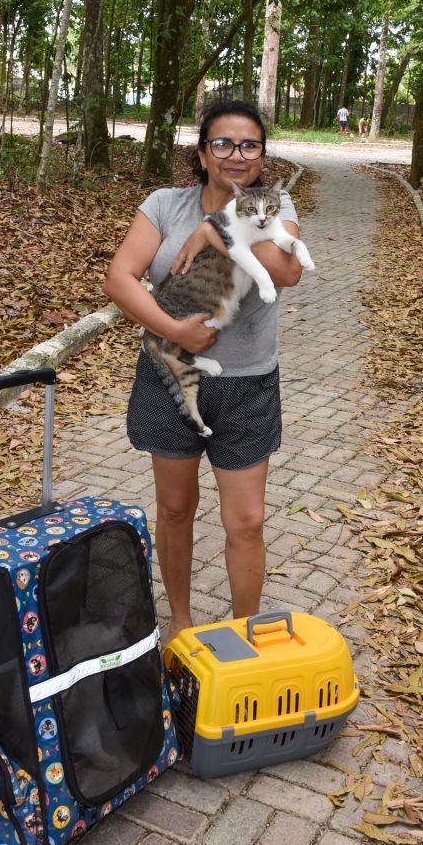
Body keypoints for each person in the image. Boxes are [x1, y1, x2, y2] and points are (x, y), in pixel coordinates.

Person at [103, 100, 303, 641]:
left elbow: (287, 272)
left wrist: (215, 234)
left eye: (250, 144)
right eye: (223, 143)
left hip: (247, 384)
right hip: (171, 377)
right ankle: (182, 623)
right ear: (203, 152)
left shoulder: (273, 204)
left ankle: (245, 631)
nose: (236, 155)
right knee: (174, 509)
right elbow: (119, 278)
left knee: (247, 521)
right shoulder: (166, 204)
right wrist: (175, 331)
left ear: (262, 154)